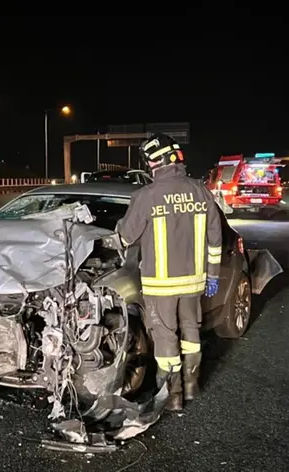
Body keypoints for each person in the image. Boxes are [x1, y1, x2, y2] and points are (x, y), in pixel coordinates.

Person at [116, 133, 223, 412]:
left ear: (156, 162)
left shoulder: (146, 196)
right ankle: (191, 385)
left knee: (165, 338)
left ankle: (171, 395)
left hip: (160, 285)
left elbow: (126, 237)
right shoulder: (201, 191)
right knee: (190, 331)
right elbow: (215, 238)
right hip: (195, 282)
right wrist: (212, 275)